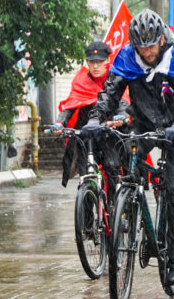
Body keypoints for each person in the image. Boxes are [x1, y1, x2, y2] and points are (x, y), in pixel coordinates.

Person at [81, 8, 174, 287]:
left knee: (173, 188)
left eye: (151, 46)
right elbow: (110, 91)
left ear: (161, 39)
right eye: (141, 47)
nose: (147, 53)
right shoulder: (127, 55)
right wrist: (97, 117)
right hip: (144, 121)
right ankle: (129, 208)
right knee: (121, 156)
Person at [51, 41, 128, 196]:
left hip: (109, 133)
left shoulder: (115, 78)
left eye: (99, 61)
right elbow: (71, 105)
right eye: (91, 62)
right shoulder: (81, 80)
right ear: (86, 62)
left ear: (107, 61)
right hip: (86, 135)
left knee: (112, 168)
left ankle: (114, 212)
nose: (95, 66)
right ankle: (86, 217)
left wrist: (122, 116)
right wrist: (60, 122)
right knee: (85, 177)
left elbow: (123, 101)